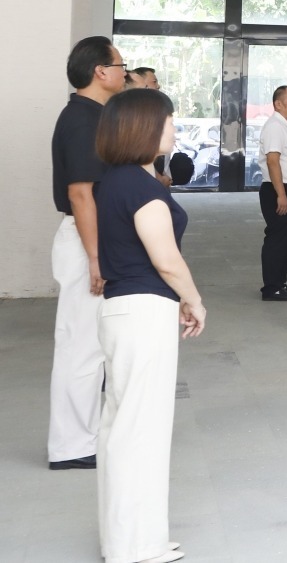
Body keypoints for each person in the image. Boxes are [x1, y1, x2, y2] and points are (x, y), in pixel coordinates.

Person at [91, 87, 206, 563]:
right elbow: (167, 260)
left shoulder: (115, 181)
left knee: (121, 428)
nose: (173, 129)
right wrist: (194, 299)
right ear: (143, 128)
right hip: (142, 313)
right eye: (168, 121)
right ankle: (135, 546)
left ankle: (129, 539)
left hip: (124, 310)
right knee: (140, 431)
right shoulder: (141, 188)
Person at [47, 35, 127, 472]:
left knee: (93, 345)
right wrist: (96, 258)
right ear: (100, 71)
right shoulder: (81, 119)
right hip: (85, 241)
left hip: (93, 238)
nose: (124, 73)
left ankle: (85, 435)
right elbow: (81, 194)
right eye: (120, 66)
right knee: (80, 347)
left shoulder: (94, 115)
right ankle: (71, 446)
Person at [258, 85, 287, 302]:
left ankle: (279, 282)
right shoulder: (275, 127)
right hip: (279, 189)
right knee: (277, 239)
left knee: (286, 240)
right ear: (278, 104)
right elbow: (272, 161)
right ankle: (271, 288)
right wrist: (281, 194)